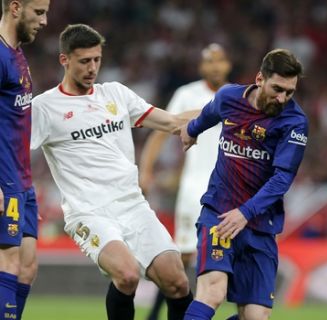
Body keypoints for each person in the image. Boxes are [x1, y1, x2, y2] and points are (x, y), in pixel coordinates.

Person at [30, 24, 193, 320]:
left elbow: (172, 123)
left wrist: (223, 111)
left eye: (97, 59)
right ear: (64, 60)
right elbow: (11, 148)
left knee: (178, 282)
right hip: (89, 212)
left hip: (132, 205)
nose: (92, 68)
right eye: (84, 61)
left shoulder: (115, 94)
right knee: (127, 274)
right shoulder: (44, 108)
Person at [180, 49, 308, 320]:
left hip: (260, 225)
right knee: (212, 292)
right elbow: (209, 113)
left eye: (289, 92)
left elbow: (282, 179)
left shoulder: (294, 123)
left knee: (256, 317)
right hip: (220, 213)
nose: (282, 98)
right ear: (260, 79)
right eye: (277, 89)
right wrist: (191, 130)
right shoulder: (229, 97)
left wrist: (246, 213)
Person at [139, 43, 231, 320]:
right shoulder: (187, 94)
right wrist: (145, 170)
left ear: (228, 65)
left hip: (229, 190)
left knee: (228, 258)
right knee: (184, 257)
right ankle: (155, 315)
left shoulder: (237, 96)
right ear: (202, 67)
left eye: (219, 61)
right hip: (194, 188)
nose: (214, 66)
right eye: (209, 61)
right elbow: (159, 131)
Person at [0, 1, 49, 319]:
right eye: (39, 12)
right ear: (15, 8)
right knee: (9, 262)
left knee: (28, 266)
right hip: (4, 180)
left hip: (23, 181)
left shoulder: (17, 53)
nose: (45, 21)